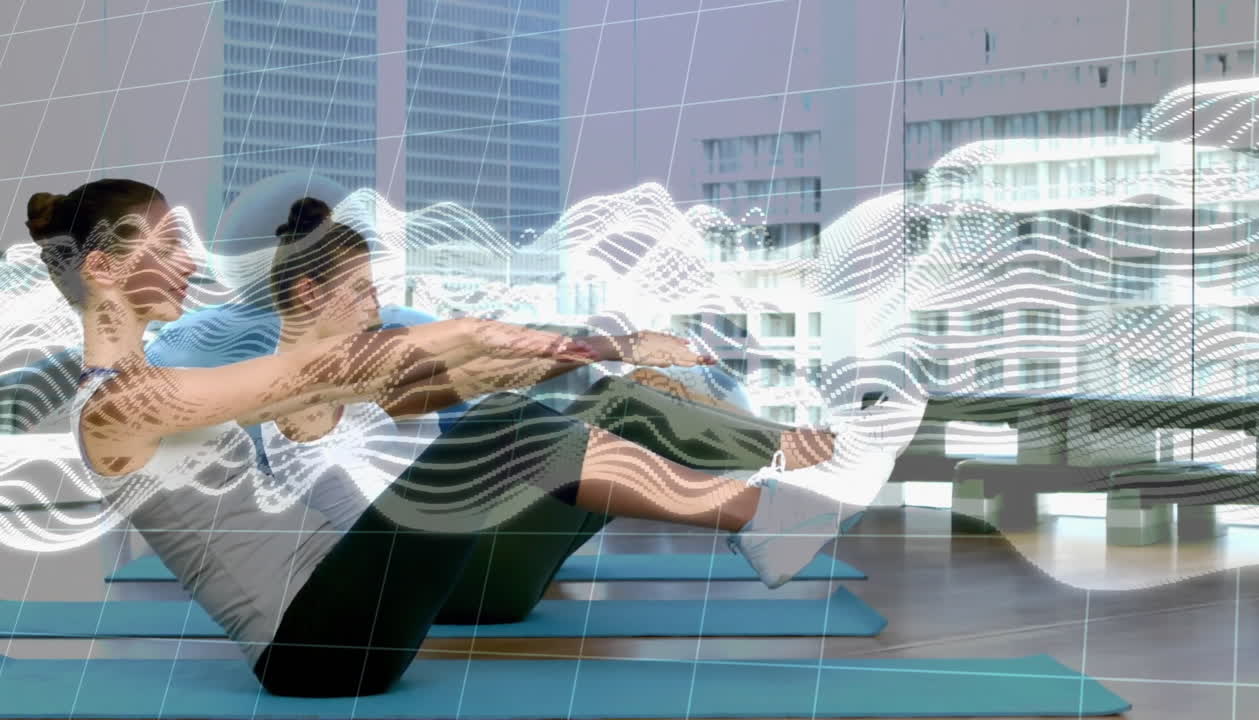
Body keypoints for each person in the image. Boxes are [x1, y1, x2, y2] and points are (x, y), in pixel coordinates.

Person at [26, 178, 890, 698]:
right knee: (512, 434)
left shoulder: (164, 390)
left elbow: (387, 379)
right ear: (101, 269)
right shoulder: (121, 405)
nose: (189, 260)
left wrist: (571, 352)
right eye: (169, 243)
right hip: (312, 647)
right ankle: (772, 520)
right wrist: (464, 339)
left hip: (344, 614)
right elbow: (328, 376)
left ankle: (778, 506)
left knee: (521, 423)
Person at [253, 197, 847, 624]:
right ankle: (771, 509)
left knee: (628, 396)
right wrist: (611, 345)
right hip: (446, 585)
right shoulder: (299, 386)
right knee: (512, 421)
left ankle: (812, 455)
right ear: (310, 294)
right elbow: (461, 384)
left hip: (480, 557)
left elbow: (470, 377)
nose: (376, 306)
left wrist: (618, 351)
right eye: (361, 291)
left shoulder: (364, 372)